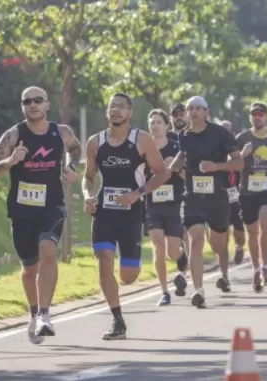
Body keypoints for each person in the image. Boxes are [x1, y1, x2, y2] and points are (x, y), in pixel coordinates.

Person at [0, 86, 82, 343]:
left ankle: (44, 314)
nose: (33, 105)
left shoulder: (61, 132)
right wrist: (9, 162)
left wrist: (71, 167)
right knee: (29, 268)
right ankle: (33, 312)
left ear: (47, 104)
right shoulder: (14, 135)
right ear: (22, 107)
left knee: (48, 250)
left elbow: (76, 148)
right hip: (21, 210)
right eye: (27, 101)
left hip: (52, 204)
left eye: (38, 100)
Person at [82, 93, 170, 340]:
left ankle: (131, 261)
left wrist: (137, 193)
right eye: (112, 107)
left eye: (121, 107)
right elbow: (88, 177)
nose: (116, 111)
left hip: (132, 213)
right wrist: (88, 196)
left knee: (128, 277)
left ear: (130, 112)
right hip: (105, 212)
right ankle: (117, 319)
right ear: (106, 112)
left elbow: (162, 173)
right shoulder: (95, 142)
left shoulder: (141, 140)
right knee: (104, 259)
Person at [169, 96, 243, 308]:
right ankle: (199, 290)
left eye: (197, 109)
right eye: (189, 109)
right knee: (196, 240)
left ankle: (224, 271)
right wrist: (169, 169)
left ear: (206, 112)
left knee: (218, 245)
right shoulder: (184, 135)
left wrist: (216, 167)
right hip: (192, 197)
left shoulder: (220, 133)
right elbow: (183, 155)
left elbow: (239, 162)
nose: (192, 112)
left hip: (217, 197)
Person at [236, 102, 267, 292]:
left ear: (266, 116)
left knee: (266, 222)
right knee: (252, 232)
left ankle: (265, 266)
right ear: (250, 117)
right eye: (254, 114)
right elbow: (232, 161)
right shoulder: (242, 137)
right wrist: (243, 154)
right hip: (248, 191)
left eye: (261, 114)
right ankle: (255, 268)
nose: (257, 117)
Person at [144, 109, 185, 306]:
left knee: (172, 253)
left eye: (159, 122)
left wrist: (176, 168)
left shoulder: (177, 148)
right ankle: (164, 291)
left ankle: (181, 256)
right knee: (157, 247)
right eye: (152, 123)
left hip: (174, 204)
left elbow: (189, 177)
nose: (155, 126)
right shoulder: (143, 149)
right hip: (152, 204)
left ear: (167, 126)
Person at [168, 102, 189, 295]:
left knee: (184, 233)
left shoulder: (191, 138)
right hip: (165, 193)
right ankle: (182, 269)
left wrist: (176, 168)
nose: (179, 117)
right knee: (173, 239)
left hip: (187, 191)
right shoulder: (163, 139)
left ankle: (182, 274)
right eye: (175, 114)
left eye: (182, 113)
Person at [220, 120, 246, 265]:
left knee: (239, 228)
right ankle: (224, 255)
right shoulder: (215, 148)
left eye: (228, 131)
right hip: (220, 194)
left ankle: (239, 246)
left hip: (236, 194)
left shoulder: (237, 148)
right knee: (222, 229)